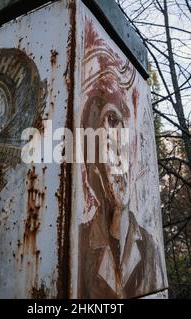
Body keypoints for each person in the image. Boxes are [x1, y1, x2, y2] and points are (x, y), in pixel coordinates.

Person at [78, 94, 162, 299]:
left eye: (114, 121)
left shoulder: (150, 247)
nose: (119, 166)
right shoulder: (80, 245)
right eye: (108, 154)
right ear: (94, 172)